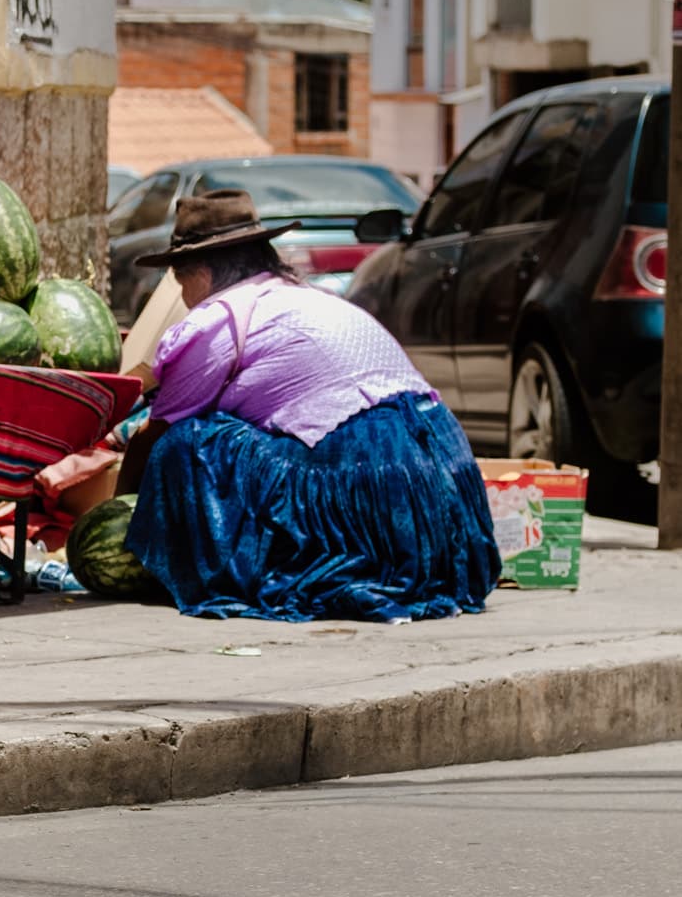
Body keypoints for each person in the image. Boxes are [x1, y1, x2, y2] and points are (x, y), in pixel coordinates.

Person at [116, 190, 501, 623]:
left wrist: (118, 518)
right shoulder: (308, 298)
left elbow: (158, 435)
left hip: (370, 468)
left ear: (200, 275)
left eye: (181, 282)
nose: (185, 297)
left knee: (185, 446)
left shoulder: (214, 321)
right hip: (441, 470)